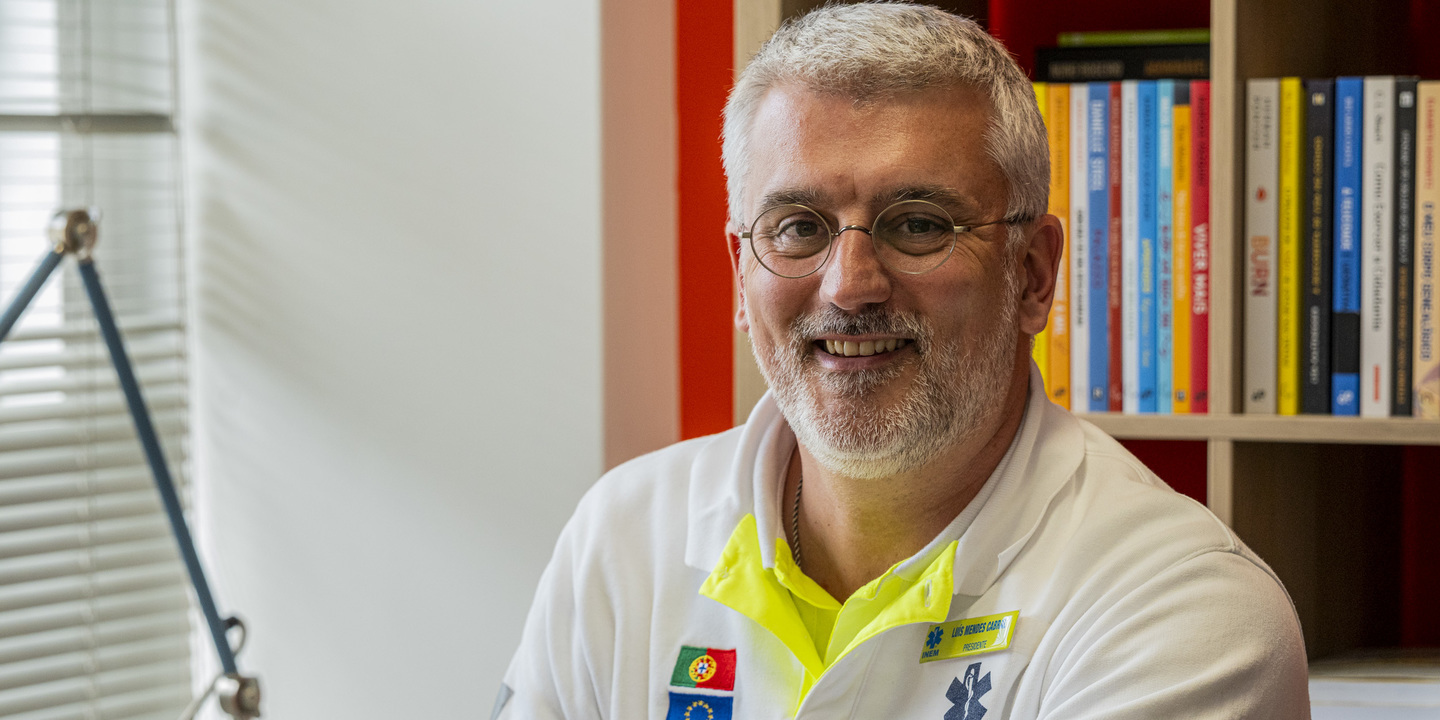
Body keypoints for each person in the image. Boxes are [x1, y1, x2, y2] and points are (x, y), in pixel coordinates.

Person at [494, 4, 1310, 719]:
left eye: (918, 223)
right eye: (798, 227)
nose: (850, 286)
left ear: (1032, 274)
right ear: (742, 277)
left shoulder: (1184, 608)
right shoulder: (623, 536)